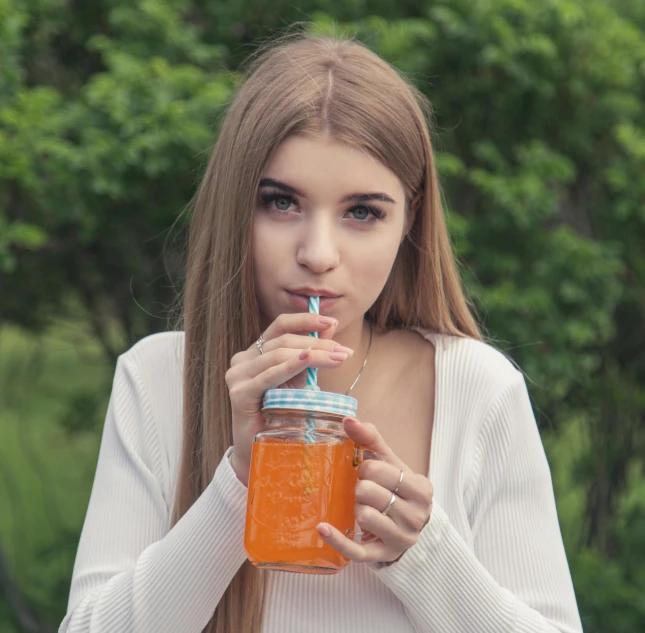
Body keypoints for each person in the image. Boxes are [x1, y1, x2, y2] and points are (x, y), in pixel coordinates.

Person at [59, 33, 583, 633]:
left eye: (363, 212)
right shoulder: (156, 379)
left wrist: (426, 555)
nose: (318, 253)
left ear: (409, 221)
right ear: (236, 207)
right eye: (281, 203)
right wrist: (237, 483)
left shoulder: (477, 389)